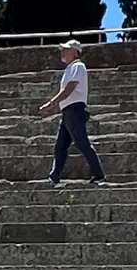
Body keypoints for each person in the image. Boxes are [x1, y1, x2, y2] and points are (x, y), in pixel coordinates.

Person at [40, 39, 106, 186]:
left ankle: (99, 174)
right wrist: (56, 105)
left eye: (67, 49)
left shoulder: (78, 66)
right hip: (68, 111)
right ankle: (54, 176)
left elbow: (70, 88)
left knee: (82, 143)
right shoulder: (70, 68)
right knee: (61, 146)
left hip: (74, 111)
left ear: (76, 52)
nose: (63, 52)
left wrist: (52, 103)